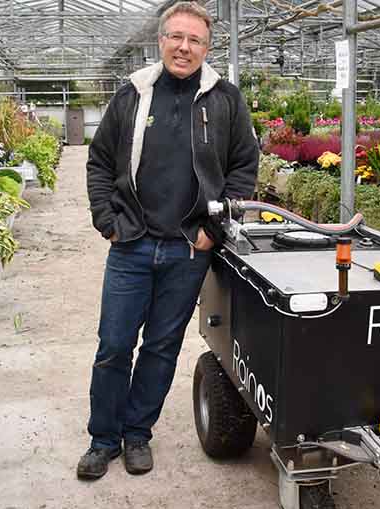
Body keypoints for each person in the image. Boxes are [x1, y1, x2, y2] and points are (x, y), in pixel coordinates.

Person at [81, 1, 259, 480]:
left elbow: (244, 166)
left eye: (194, 40)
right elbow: (99, 162)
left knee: (161, 347)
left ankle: (137, 434)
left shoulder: (225, 100)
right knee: (114, 345)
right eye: (176, 37)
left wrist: (213, 230)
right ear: (161, 41)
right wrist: (108, 220)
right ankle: (103, 440)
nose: (184, 47)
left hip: (187, 249)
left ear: (207, 47)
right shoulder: (133, 93)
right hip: (131, 244)